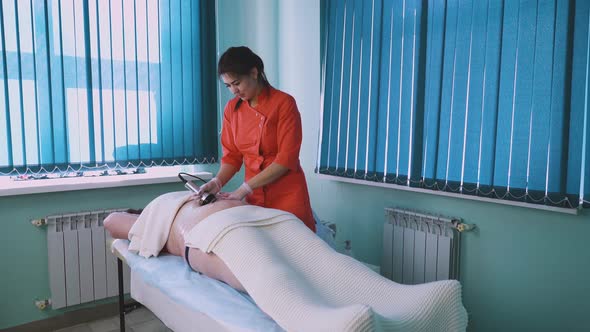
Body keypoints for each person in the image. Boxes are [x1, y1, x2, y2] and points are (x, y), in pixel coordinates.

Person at [198, 46, 315, 232]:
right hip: (255, 198)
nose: (233, 91)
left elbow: (285, 160)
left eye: (236, 83)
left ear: (254, 73)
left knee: (295, 249)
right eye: (228, 86)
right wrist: (217, 182)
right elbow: (232, 157)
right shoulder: (231, 110)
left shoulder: (284, 104)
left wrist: (244, 190)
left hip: (287, 195)